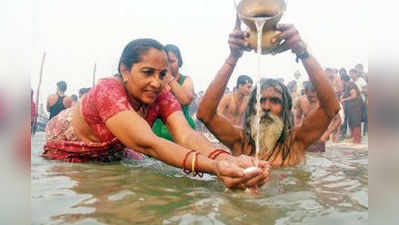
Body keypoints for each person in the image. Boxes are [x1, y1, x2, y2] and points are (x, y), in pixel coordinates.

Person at [43, 38, 269, 189]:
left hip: (113, 153)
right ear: (124, 70)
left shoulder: (160, 93)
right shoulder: (107, 90)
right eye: (147, 72)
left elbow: (187, 136)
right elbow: (148, 143)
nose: (156, 82)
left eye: (162, 74)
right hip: (71, 151)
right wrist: (215, 169)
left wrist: (229, 159)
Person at [197, 20, 339, 168]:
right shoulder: (240, 141)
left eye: (275, 101)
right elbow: (205, 114)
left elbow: (331, 108)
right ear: (252, 108)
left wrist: (302, 52)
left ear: (285, 109)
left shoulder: (297, 141)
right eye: (260, 100)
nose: (266, 107)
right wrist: (233, 57)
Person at [152, 44, 197, 141]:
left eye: (172, 61)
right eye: (165, 62)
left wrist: (168, 77)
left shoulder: (186, 80)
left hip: (184, 133)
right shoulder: (155, 80)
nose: (168, 65)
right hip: (158, 133)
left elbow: (185, 99)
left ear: (179, 62)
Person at [341, 74, 363, 144]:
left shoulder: (351, 85)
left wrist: (344, 99)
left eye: (341, 81)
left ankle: (357, 140)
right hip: (351, 107)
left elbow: (354, 95)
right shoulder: (347, 86)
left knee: (355, 122)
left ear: (343, 81)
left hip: (355, 106)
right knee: (351, 122)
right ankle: (354, 138)